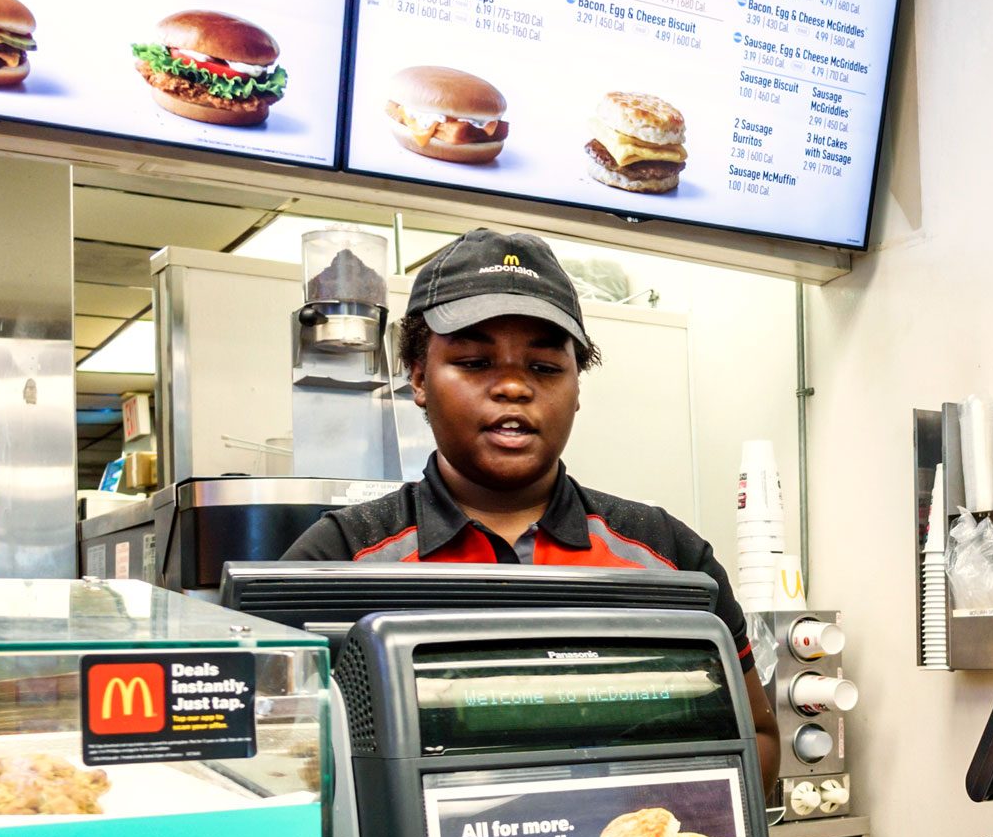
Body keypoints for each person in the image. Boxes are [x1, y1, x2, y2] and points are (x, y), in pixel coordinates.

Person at [284, 228, 779, 782]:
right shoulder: (338, 561)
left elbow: (756, 739)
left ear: (577, 388)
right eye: (475, 362)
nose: (514, 388)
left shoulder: (666, 554)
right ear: (419, 379)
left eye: (544, 368)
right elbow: (274, 760)